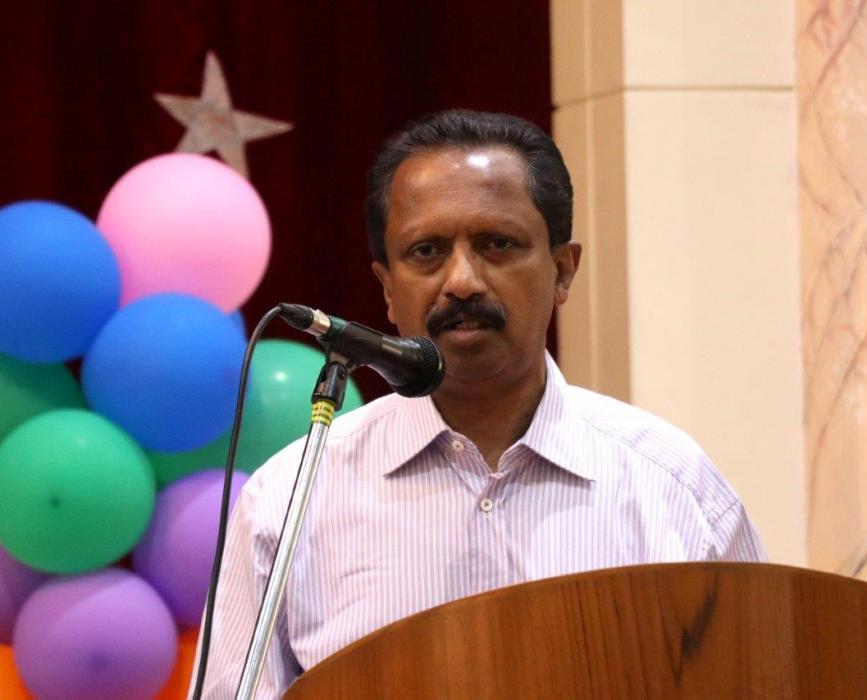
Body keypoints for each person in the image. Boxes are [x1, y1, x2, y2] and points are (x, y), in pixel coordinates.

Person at [198, 109, 765, 698]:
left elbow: (766, 677)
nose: (462, 281)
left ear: (563, 271)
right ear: (388, 288)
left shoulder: (674, 487)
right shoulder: (289, 500)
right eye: (427, 251)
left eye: (497, 244)